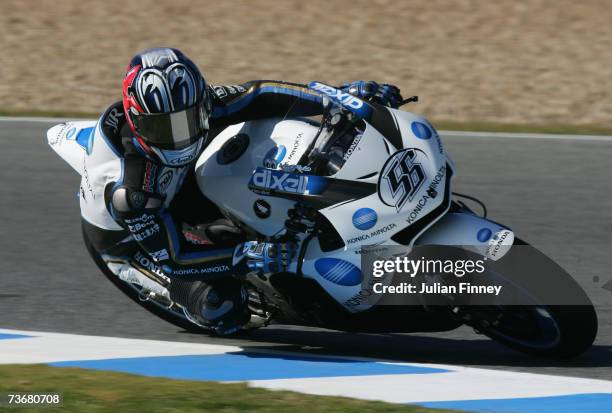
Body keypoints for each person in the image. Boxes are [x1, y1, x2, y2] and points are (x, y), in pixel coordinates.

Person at [82, 47, 403, 334]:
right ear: (138, 122)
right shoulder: (131, 190)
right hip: (134, 246)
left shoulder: (200, 102)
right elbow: (175, 258)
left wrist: (338, 97)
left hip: (183, 183)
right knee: (221, 308)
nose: (180, 137)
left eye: (189, 120)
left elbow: (260, 94)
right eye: (163, 129)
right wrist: (245, 257)